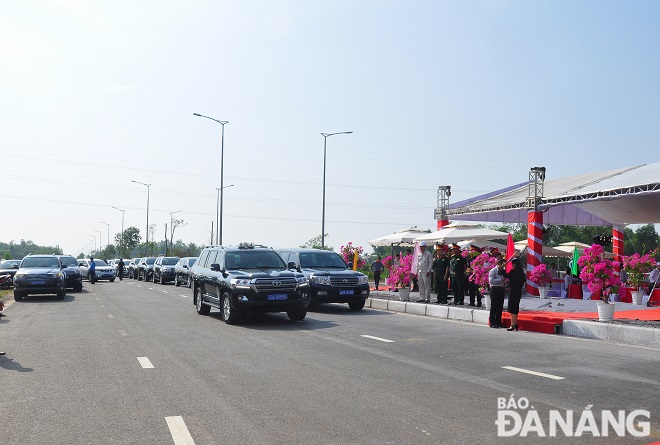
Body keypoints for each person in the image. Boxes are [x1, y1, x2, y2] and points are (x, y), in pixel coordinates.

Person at [504, 258, 526, 332]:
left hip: (513, 290)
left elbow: (504, 274)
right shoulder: (522, 273)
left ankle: (513, 324)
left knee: (512, 308)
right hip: (518, 291)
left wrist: (504, 267)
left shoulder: (513, 272)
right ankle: (514, 323)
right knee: (515, 307)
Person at [488, 259, 506, 328]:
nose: (503, 266)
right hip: (495, 289)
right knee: (494, 306)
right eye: (503, 264)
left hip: (501, 288)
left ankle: (498, 322)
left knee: (500, 306)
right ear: (499, 264)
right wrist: (500, 280)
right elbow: (491, 281)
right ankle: (492, 322)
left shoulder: (503, 271)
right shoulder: (493, 271)